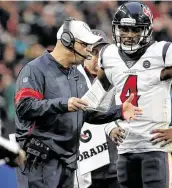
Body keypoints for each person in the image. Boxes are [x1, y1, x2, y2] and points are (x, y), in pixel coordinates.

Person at [86, 2, 172, 188]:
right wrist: (109, 127)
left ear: (146, 30)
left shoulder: (161, 54)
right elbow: (96, 100)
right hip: (125, 149)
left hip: (155, 149)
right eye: (124, 28)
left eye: (135, 29)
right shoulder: (109, 55)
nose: (129, 35)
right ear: (116, 28)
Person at [14, 17, 142, 188]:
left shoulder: (76, 76)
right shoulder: (35, 69)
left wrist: (120, 111)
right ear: (67, 41)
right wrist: (64, 104)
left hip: (68, 163)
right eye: (85, 45)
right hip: (39, 163)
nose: (89, 51)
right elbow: (24, 106)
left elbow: (86, 112)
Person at [79, 30, 120, 188]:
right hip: (84, 168)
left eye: (102, 52)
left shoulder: (117, 79)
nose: (98, 58)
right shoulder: (73, 81)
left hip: (114, 166)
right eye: (93, 52)